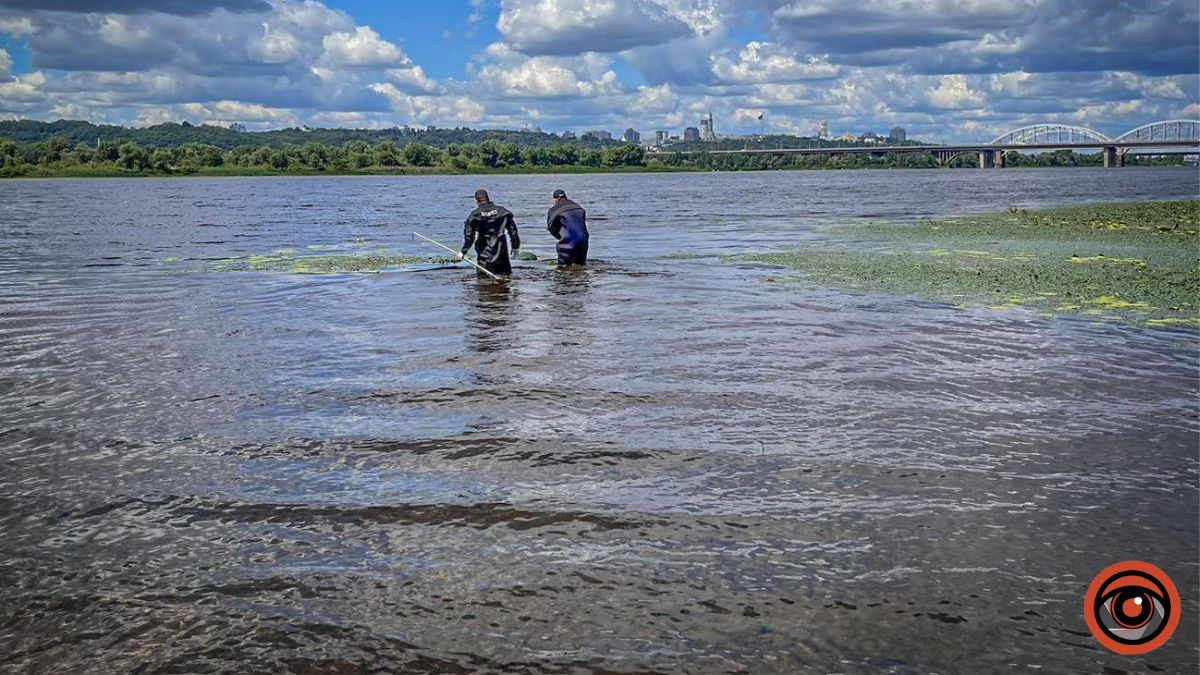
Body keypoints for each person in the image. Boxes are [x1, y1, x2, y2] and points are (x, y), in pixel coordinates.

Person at [459, 189, 520, 277]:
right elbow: (513, 231)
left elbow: (469, 237)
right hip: (502, 251)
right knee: (505, 277)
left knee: (484, 279)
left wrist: (463, 252)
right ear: (488, 198)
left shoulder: (474, 215)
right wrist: (515, 247)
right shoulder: (503, 211)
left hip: (485, 253)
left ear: (477, 201)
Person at [546, 188, 588, 266]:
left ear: (556, 199)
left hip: (567, 244)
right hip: (583, 241)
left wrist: (561, 237)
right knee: (581, 266)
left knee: (563, 269)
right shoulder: (578, 206)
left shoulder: (553, 209)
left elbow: (551, 228)